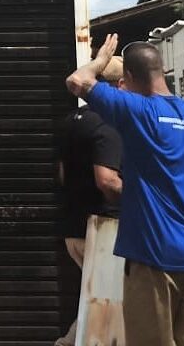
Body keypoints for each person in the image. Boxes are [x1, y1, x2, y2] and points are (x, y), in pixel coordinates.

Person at [66, 35, 184, 346]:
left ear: (128, 77)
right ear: (163, 70)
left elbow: (77, 80)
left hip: (154, 258)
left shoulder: (138, 111)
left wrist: (101, 60)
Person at [55, 56, 123, 346]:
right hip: (103, 227)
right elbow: (106, 180)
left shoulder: (70, 121)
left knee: (98, 299)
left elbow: (60, 174)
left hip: (73, 227)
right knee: (112, 299)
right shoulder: (109, 123)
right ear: (119, 85)